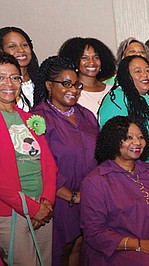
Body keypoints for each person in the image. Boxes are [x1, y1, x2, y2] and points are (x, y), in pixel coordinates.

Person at [80, 116, 149, 265]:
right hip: (115, 250)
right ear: (113, 141)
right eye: (129, 138)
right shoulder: (96, 180)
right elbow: (94, 233)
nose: (137, 142)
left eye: (141, 137)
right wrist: (141, 245)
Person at [31, 56, 98, 266]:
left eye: (77, 84)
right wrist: (70, 196)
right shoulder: (38, 118)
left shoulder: (86, 115)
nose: (74, 89)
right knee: (60, 251)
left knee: (81, 246)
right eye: (66, 84)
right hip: (58, 200)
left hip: (88, 197)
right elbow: (38, 165)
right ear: (50, 85)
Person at [0, 51, 56, 265]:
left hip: (42, 209)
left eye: (15, 77)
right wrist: (32, 209)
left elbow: (49, 164)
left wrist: (46, 202)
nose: (9, 83)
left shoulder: (29, 118)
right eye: (1, 77)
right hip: (9, 212)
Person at [99, 55, 149, 181]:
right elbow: (112, 139)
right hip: (139, 172)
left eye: (147, 70)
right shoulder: (117, 98)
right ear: (126, 75)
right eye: (138, 71)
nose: (144, 74)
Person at [58, 37, 116, 118]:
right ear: (74, 61)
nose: (92, 62)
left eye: (96, 57)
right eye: (85, 58)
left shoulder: (113, 91)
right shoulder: (70, 93)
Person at [0, 27, 40, 111]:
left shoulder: (41, 80)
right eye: (12, 46)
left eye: (24, 45)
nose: (21, 50)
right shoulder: (4, 85)